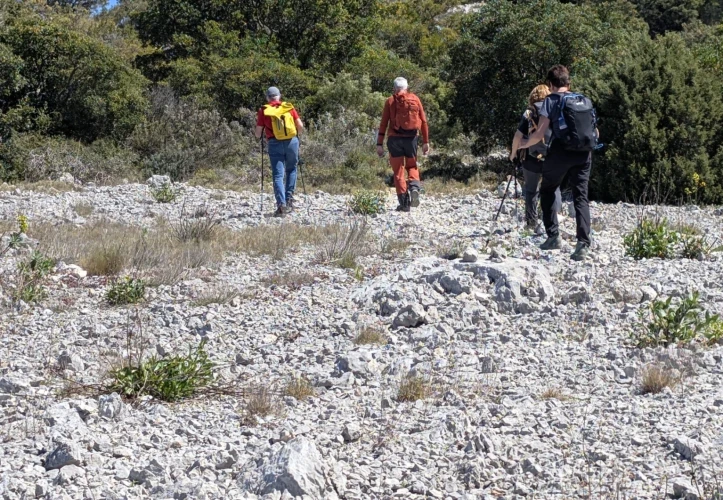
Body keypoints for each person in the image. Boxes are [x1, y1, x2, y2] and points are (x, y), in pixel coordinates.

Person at [519, 65, 597, 261]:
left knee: (547, 189)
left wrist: (524, 144)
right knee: (581, 197)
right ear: (568, 83)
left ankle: (553, 236)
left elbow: (540, 133)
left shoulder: (550, 100)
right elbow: (596, 132)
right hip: (584, 154)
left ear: (550, 84)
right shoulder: (583, 99)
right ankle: (583, 244)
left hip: (560, 152)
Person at [509, 84, 562, 233]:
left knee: (531, 190)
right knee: (554, 187)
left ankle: (531, 223)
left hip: (531, 157)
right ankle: (555, 218)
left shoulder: (529, 111)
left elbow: (518, 136)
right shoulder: (555, 109)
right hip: (552, 156)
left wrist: (513, 154)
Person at [377, 77, 430, 212]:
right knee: (412, 165)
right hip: (411, 139)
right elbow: (423, 121)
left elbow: (383, 123)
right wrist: (425, 142)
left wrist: (379, 143)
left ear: (394, 88)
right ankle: (414, 188)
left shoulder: (390, 101)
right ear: (407, 88)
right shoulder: (415, 99)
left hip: (394, 139)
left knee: (398, 171)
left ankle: (404, 204)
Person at [255, 86, 304, 217]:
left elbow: (258, 133)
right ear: (279, 96)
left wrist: (261, 135)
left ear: (267, 98)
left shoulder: (264, 110)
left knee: (278, 175)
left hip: (274, 143)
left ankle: (281, 206)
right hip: (292, 142)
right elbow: (300, 126)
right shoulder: (288, 107)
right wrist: (296, 136)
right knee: (291, 170)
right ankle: (289, 201)